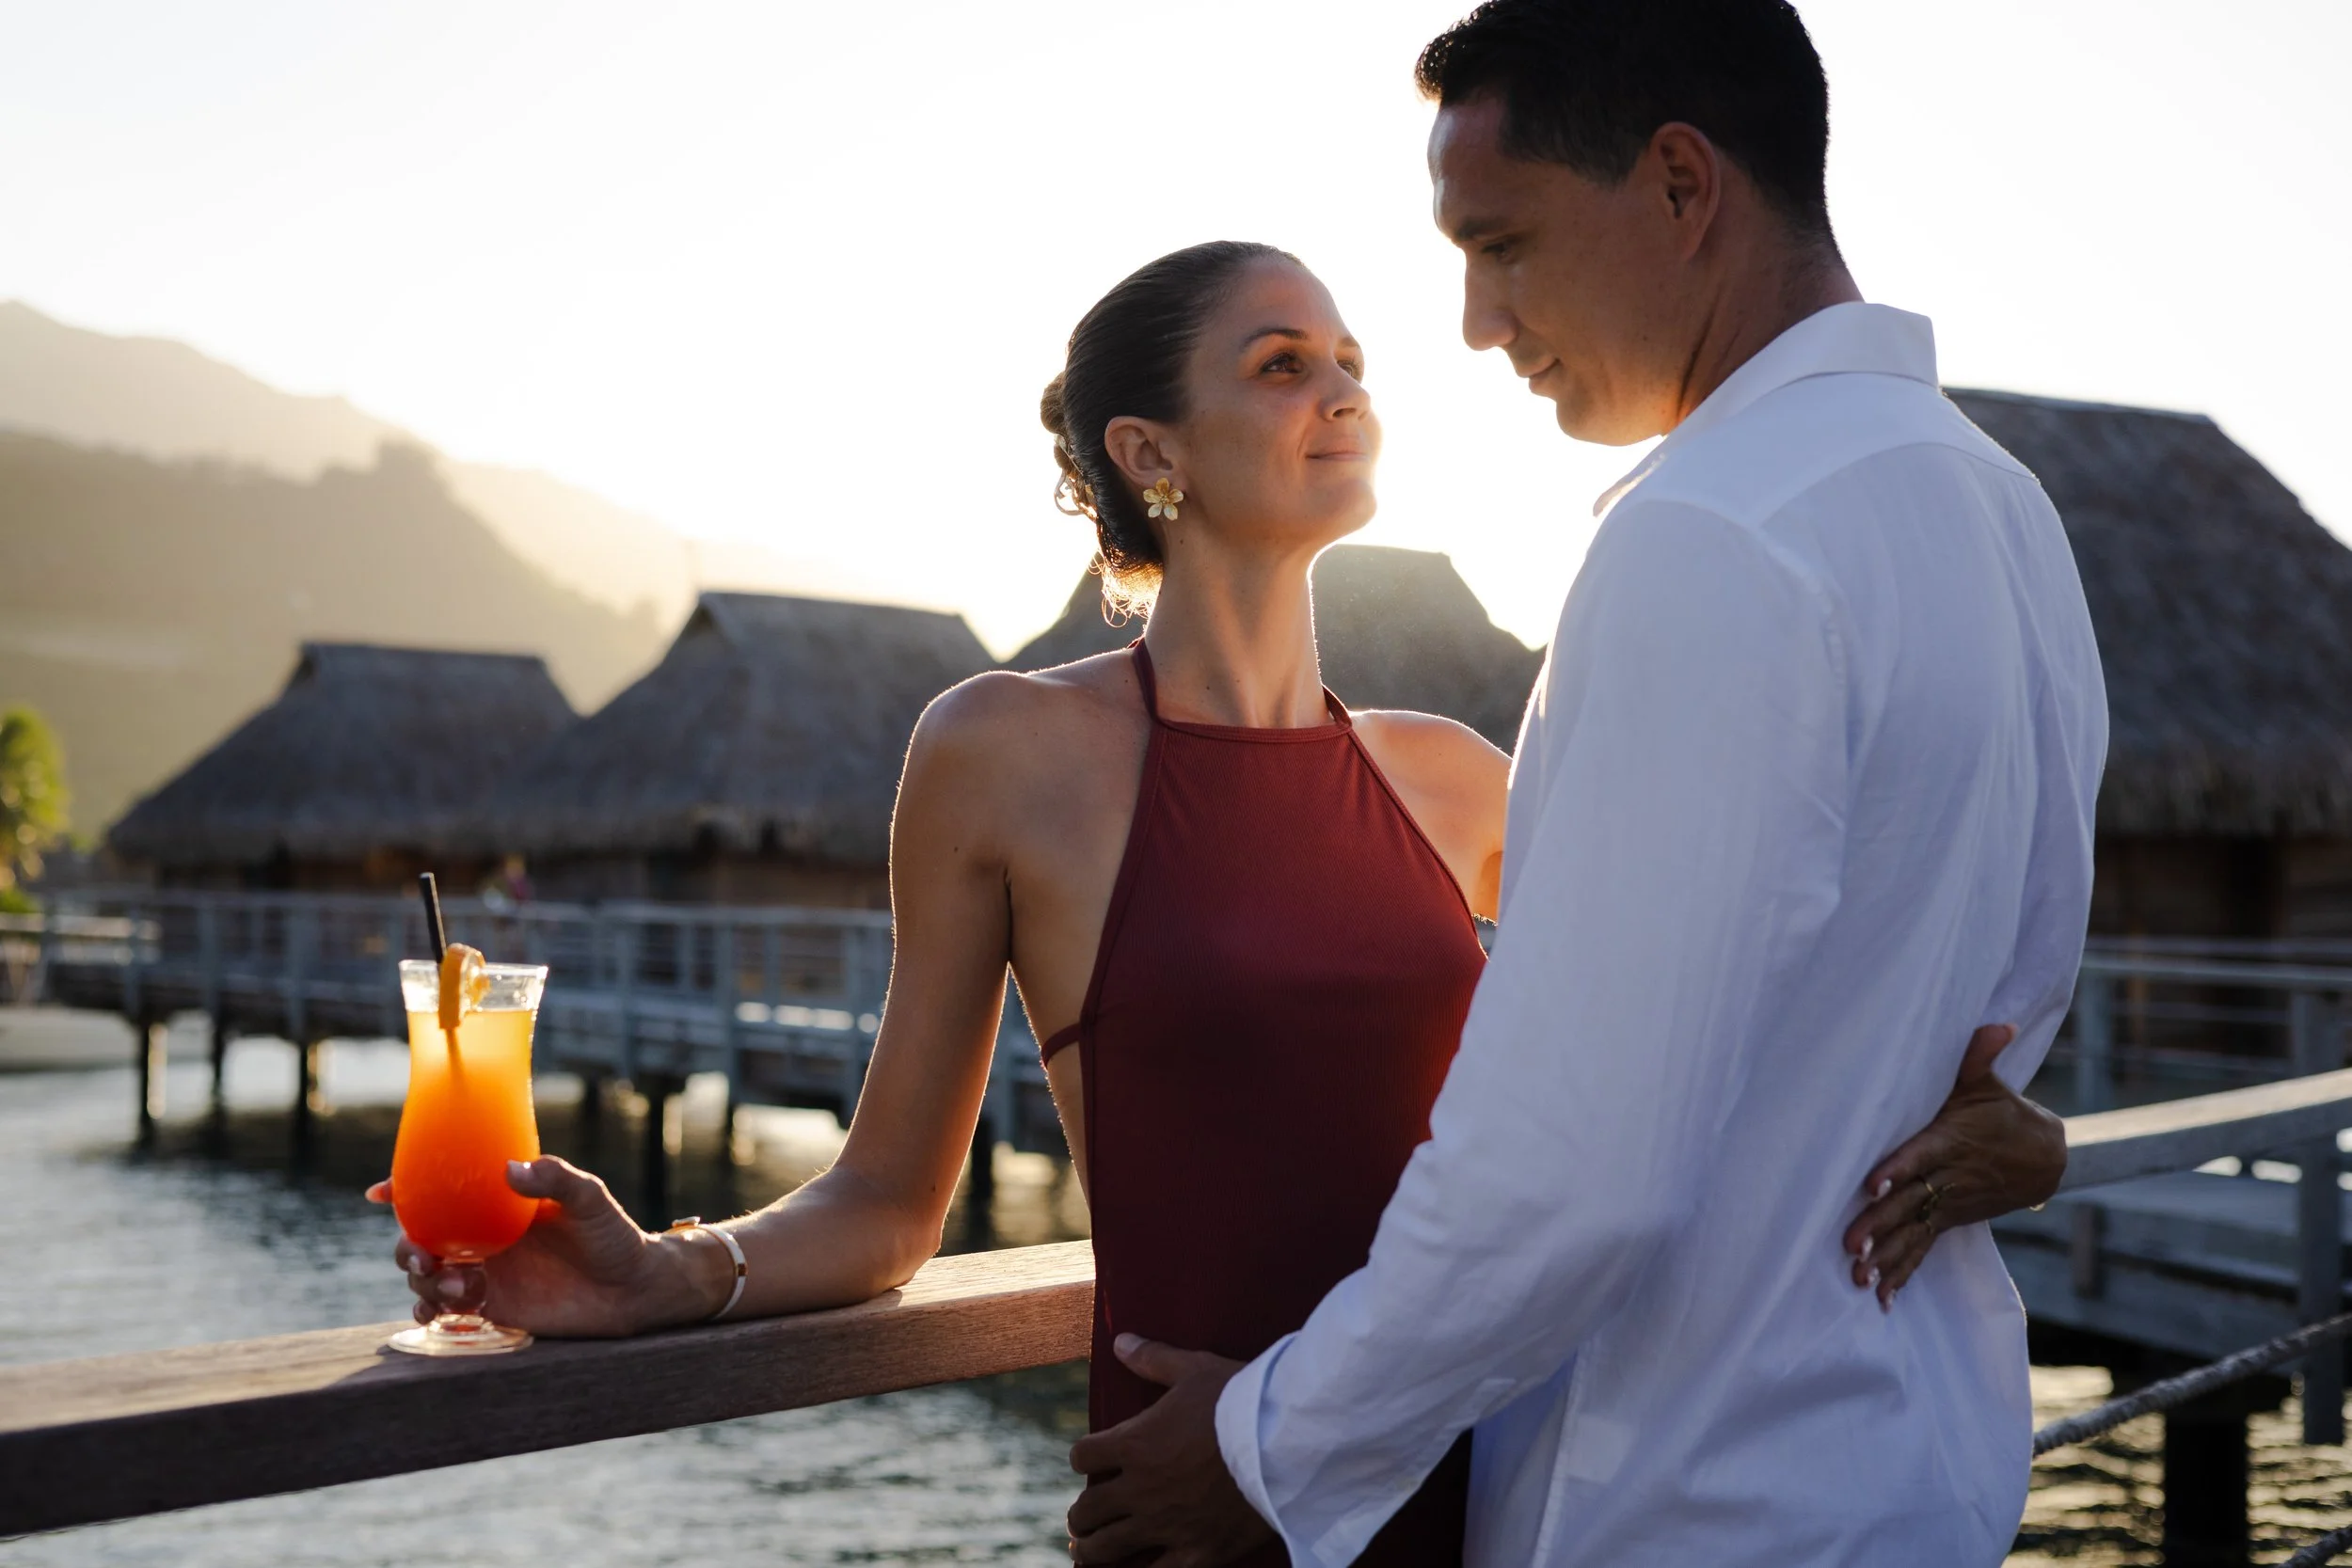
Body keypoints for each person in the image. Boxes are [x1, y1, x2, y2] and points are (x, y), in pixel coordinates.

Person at [375, 238, 2068, 1560]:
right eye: (1283, 366)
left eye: (1351, 362)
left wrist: (2029, 1139)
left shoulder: (1466, 775)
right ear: (1150, 451)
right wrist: (675, 1272)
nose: (1344, 391)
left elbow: (1712, 1046)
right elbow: (894, 1199)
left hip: (1458, 1464)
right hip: (1194, 1482)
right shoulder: (1000, 753)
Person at [1061, 3, 2108, 1566]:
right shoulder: (2003, 511)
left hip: (1700, 1489)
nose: (1480, 320)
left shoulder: (1711, 538)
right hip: (1921, 1471)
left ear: (1682, 187)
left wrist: (1272, 1450)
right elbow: (1993, 1018)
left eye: (1505, 245)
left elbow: (1571, 1165)